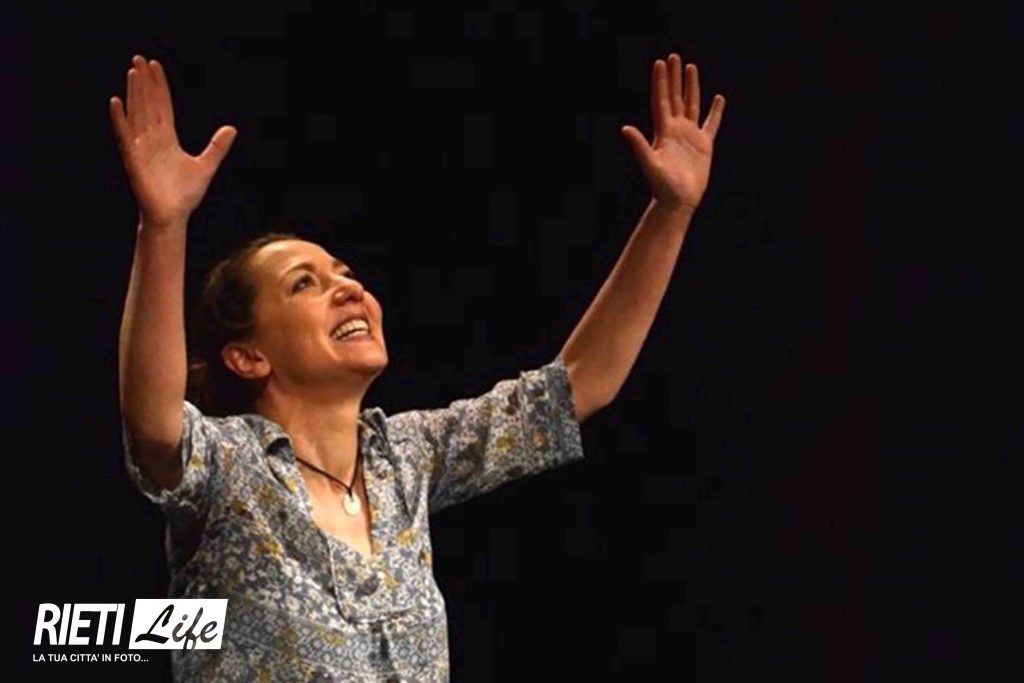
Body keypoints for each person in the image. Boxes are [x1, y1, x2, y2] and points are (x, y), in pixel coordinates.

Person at [113, 52, 724, 682]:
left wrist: (670, 212)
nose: (349, 289)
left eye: (345, 275)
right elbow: (155, 425)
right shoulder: (227, 468)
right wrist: (164, 227)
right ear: (248, 356)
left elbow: (577, 387)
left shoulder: (406, 457)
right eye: (304, 284)